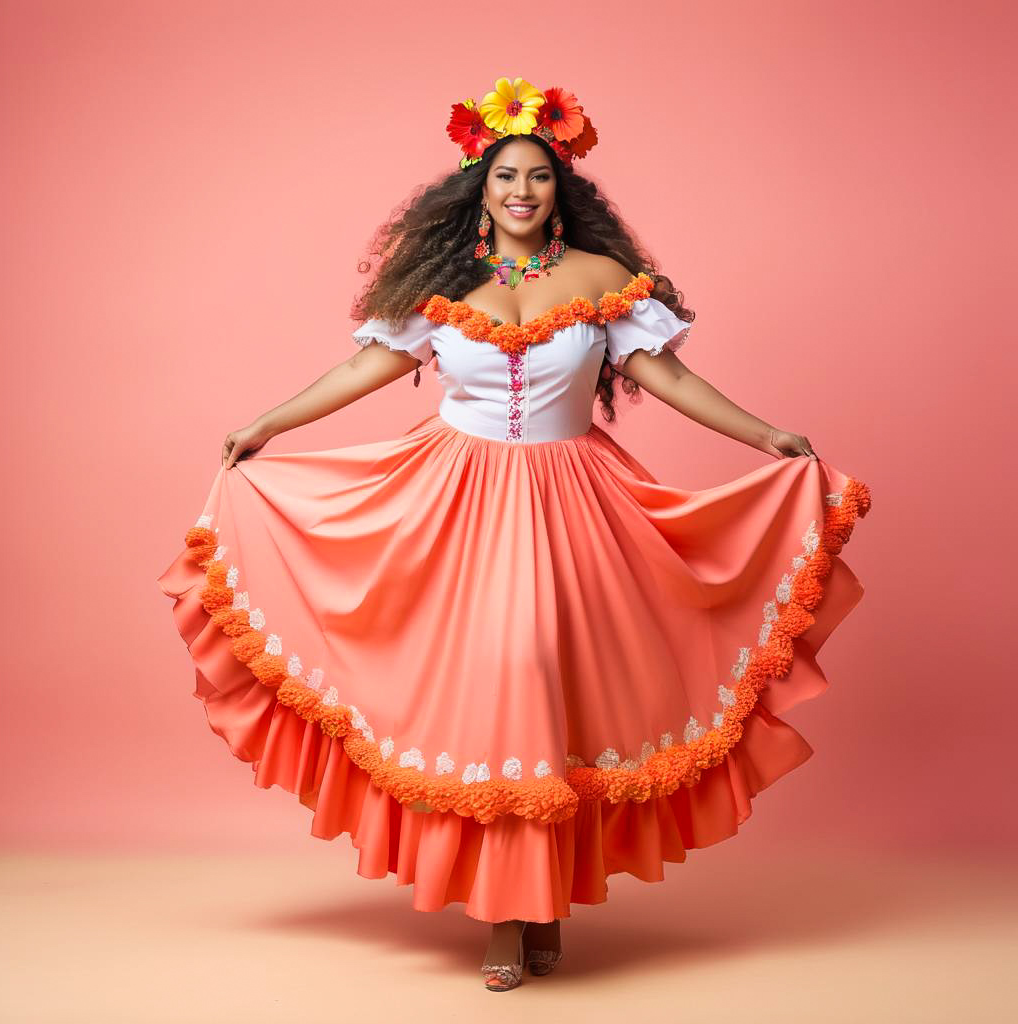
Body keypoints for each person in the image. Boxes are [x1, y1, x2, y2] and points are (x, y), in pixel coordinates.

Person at [156, 76, 872, 992]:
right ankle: (508, 920)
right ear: (479, 190)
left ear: (561, 189)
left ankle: (540, 909)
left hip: (577, 501)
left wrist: (764, 433)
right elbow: (366, 367)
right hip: (452, 501)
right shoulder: (442, 284)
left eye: (538, 176)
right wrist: (270, 424)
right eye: (505, 178)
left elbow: (668, 380)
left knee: (554, 685)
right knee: (500, 689)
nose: (523, 192)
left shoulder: (605, 282)